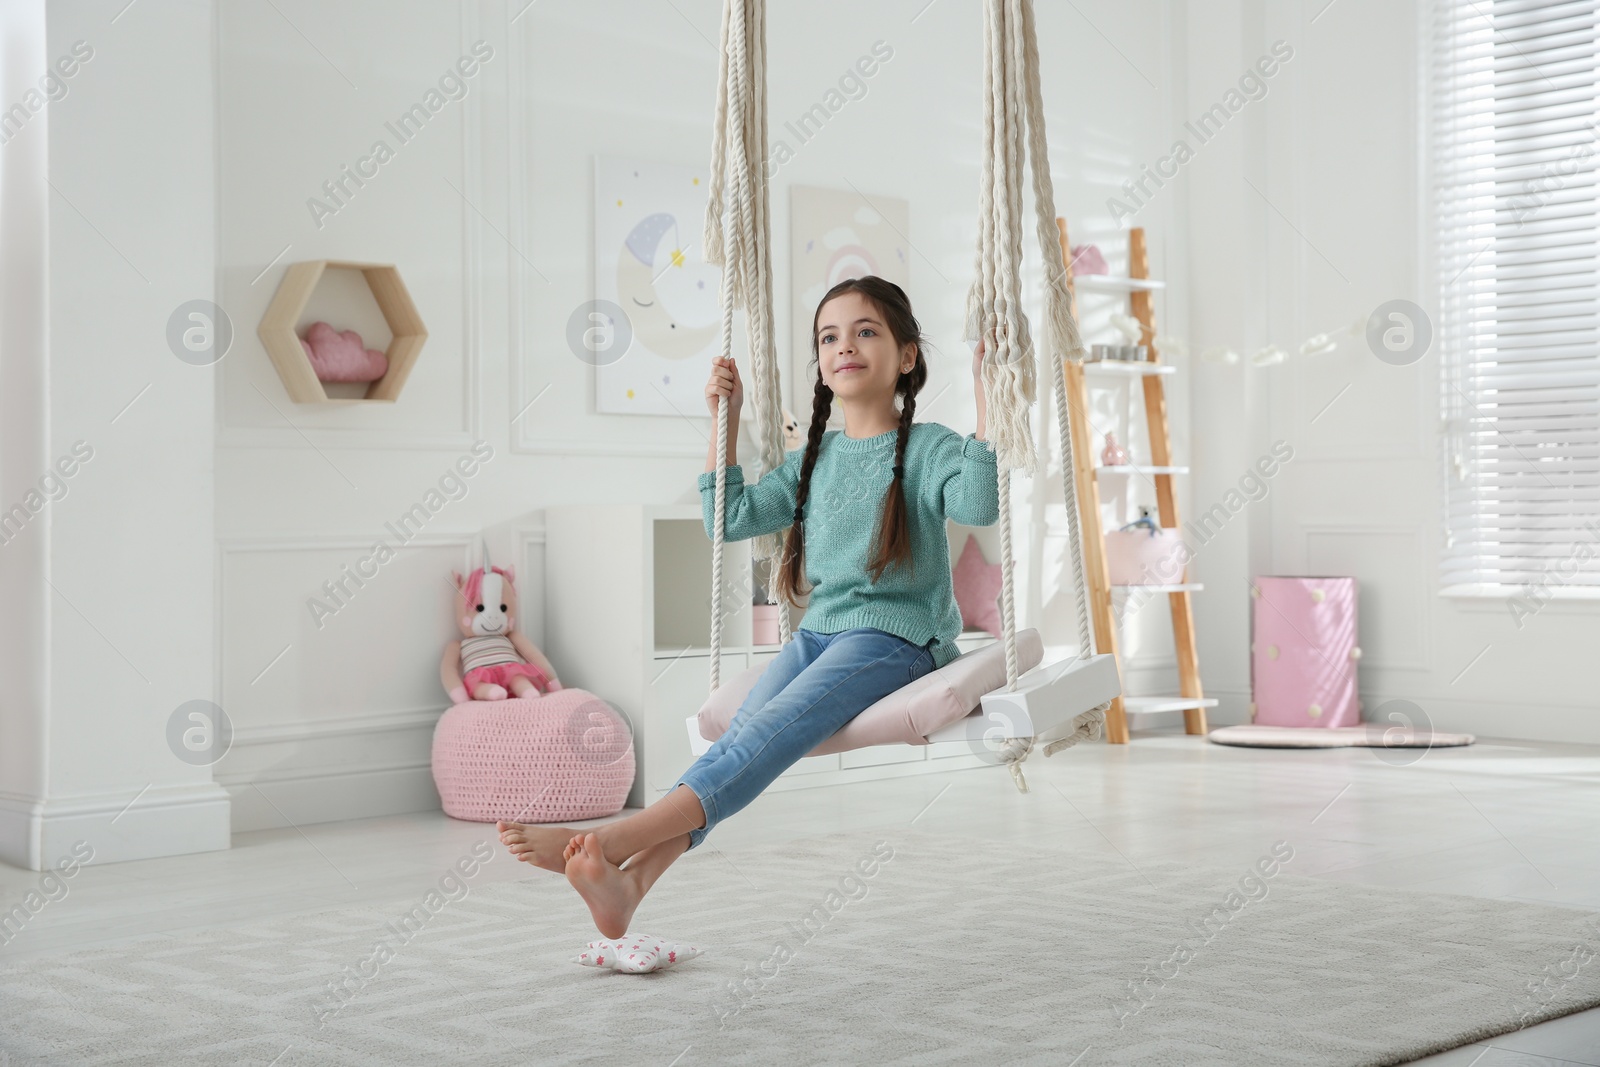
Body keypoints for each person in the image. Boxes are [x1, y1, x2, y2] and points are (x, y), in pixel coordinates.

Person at [498, 275, 1000, 937]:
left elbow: (979, 504)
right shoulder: (812, 462)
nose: (843, 345)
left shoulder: (931, 446)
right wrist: (722, 424)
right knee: (741, 741)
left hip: (896, 640)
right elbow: (724, 517)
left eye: (866, 331)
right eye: (829, 336)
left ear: (907, 355)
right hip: (820, 634)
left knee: (758, 737)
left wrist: (991, 394)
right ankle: (630, 884)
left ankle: (615, 839)